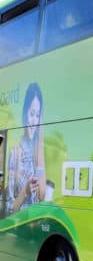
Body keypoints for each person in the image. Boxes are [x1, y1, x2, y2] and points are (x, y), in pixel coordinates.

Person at [6, 83, 46, 213]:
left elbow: (42, 196)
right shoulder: (15, 154)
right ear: (24, 114)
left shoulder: (37, 154)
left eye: (37, 115)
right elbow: (8, 209)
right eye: (31, 113)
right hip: (19, 229)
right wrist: (25, 191)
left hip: (34, 229)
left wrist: (40, 145)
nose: (34, 121)